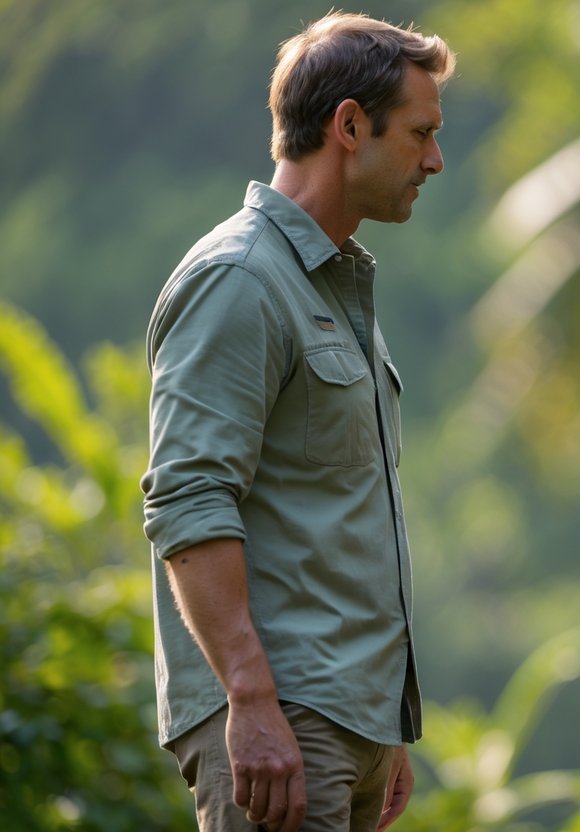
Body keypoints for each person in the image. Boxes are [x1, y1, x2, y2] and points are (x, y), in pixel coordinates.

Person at [140, 13, 455, 831]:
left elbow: (332, 519)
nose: (434, 160)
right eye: (420, 133)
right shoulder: (239, 279)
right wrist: (249, 699)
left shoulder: (329, 288)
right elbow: (188, 502)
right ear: (349, 126)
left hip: (345, 726)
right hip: (281, 724)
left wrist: (382, 729)